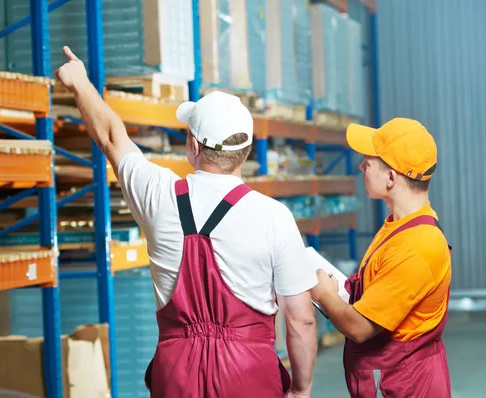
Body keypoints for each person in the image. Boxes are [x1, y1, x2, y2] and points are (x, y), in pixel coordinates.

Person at [55, 46, 318, 398]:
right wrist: (301, 389)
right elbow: (301, 320)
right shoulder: (274, 217)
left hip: (177, 372)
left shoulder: (158, 194)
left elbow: (111, 136)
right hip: (250, 372)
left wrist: (79, 83)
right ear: (247, 149)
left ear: (193, 145)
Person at [311, 118, 452, 398]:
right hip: (394, 381)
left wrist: (325, 295)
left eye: (368, 161)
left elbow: (359, 328)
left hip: (403, 387)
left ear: (391, 178)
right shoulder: (399, 226)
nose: (361, 167)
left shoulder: (416, 246)